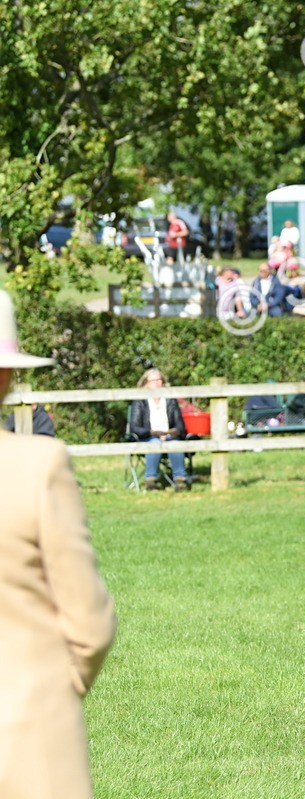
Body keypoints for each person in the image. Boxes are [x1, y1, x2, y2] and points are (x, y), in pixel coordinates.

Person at [0, 289, 118, 799]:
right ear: (8, 375)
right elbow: (90, 626)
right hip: (26, 727)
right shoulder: (36, 466)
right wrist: (52, 687)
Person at [129, 368, 191, 491]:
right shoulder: (140, 401)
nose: (157, 383)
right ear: (145, 383)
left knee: (175, 444)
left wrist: (174, 431)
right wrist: (152, 433)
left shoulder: (170, 400)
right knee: (154, 443)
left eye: (159, 380)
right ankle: (151, 481)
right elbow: (135, 428)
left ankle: (180, 480)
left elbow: (180, 425)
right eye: (153, 380)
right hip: (148, 437)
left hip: (169, 436)